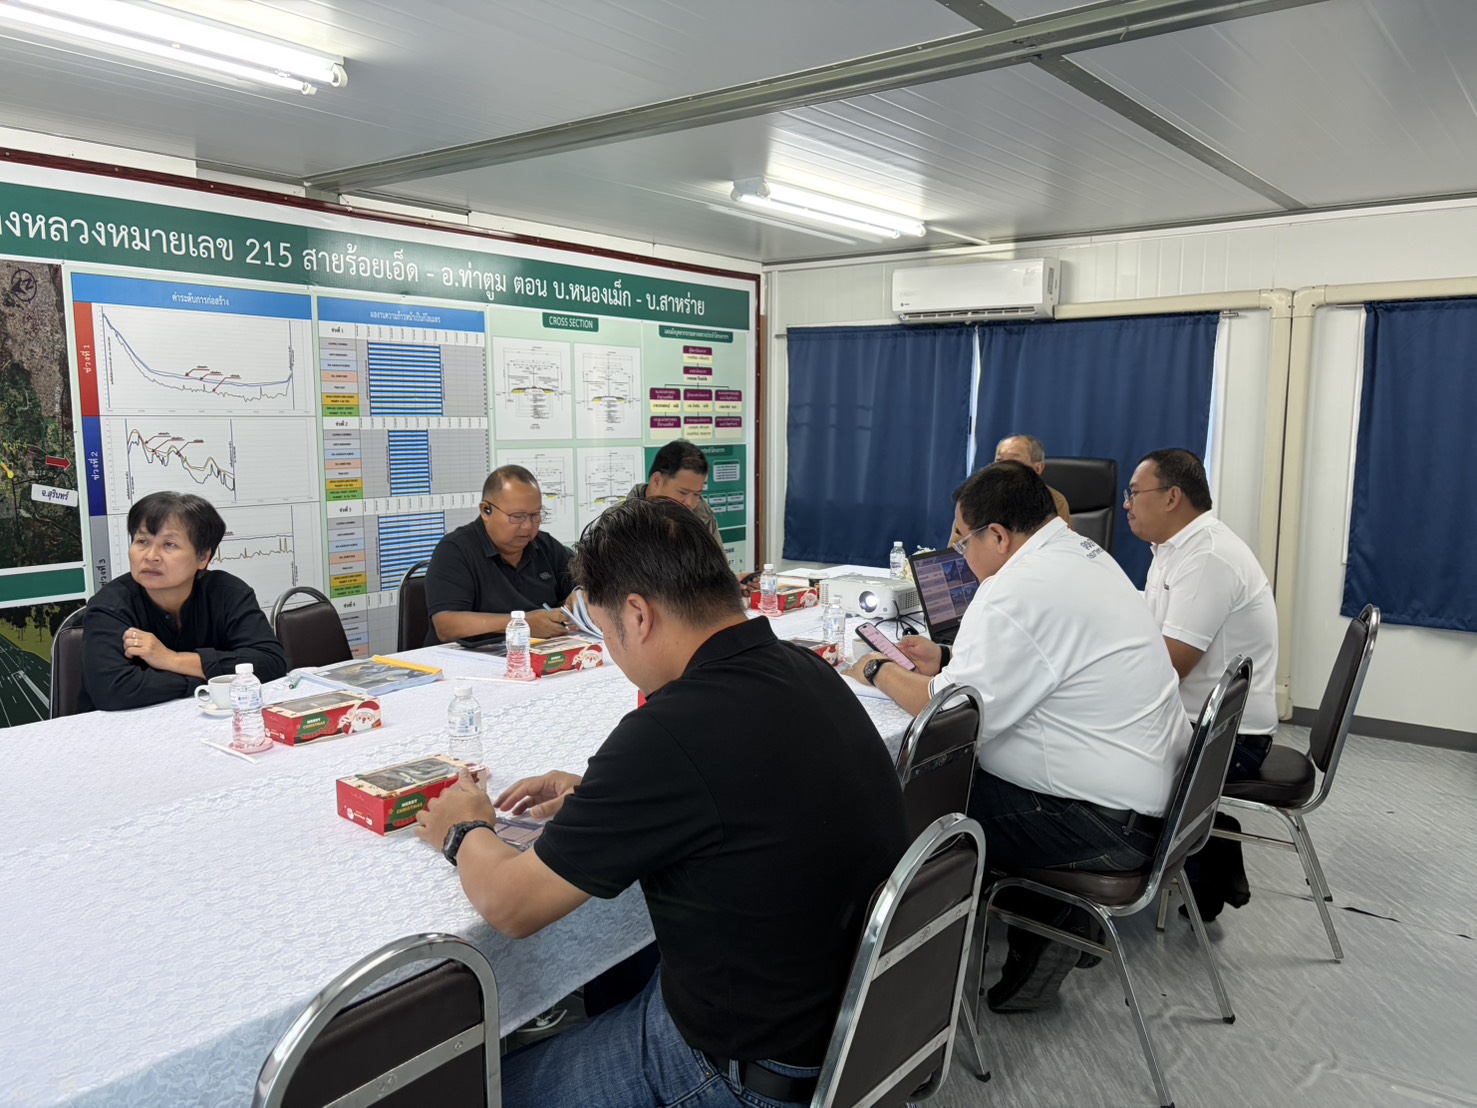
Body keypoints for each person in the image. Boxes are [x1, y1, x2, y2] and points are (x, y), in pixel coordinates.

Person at [415, 498, 908, 1108]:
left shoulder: (673, 731)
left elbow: (511, 905)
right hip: (851, 1028)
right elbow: (739, 790)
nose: (614, 653)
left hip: (742, 1068)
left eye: (605, 632)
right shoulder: (803, 667)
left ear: (638, 615)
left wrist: (464, 829)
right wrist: (603, 798)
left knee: (479, 1092)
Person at [849, 461, 1189, 1012]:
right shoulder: (1083, 554)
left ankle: (902, 990)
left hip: (1098, 826)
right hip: (1152, 806)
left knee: (907, 800)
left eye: (963, 541)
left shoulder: (1013, 590)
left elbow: (948, 712)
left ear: (999, 536)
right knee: (958, 776)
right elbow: (1040, 664)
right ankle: (1051, 919)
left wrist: (875, 670)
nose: (960, 555)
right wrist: (950, 658)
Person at [1126, 447, 1279, 918]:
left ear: (1172, 497)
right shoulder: (1172, 549)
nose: (1127, 504)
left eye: (1134, 493)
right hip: (1202, 721)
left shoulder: (1207, 556)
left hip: (1228, 739)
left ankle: (1190, 847)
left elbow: (1171, 665)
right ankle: (1206, 842)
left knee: (1096, 754)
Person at [78, 491, 286, 711]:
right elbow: (113, 691)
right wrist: (207, 681)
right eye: (142, 541)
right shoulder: (110, 605)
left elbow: (271, 663)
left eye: (169, 544)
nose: (150, 556)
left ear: (203, 557)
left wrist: (171, 659)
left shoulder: (228, 593)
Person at [423, 465, 576, 645]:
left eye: (535, 515)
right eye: (517, 516)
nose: (528, 526)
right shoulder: (454, 550)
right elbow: (446, 626)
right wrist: (522, 624)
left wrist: (580, 596)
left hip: (537, 652)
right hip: (469, 657)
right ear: (486, 510)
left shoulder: (545, 546)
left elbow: (584, 584)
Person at [948, 433, 1072, 546]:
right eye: (999, 461)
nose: (1003, 468)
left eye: (1013, 461)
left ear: (1038, 468)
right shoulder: (973, 499)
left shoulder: (1055, 501)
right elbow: (955, 550)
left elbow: (1062, 548)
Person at [627, 439, 722, 545]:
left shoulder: (704, 517)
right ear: (657, 481)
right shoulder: (620, 523)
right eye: (683, 492)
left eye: (697, 494)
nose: (690, 503)